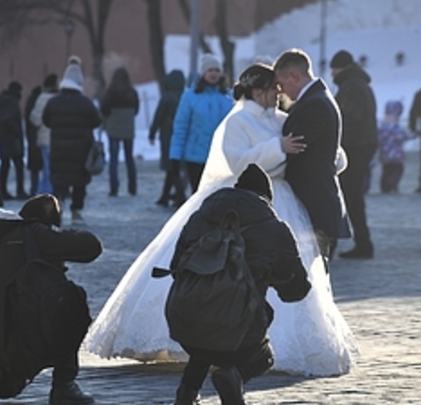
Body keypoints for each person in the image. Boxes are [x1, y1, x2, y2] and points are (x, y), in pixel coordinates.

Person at [84, 63, 358, 377]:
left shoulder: (282, 119)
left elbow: (315, 149)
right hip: (245, 200)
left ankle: (273, 343)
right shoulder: (237, 121)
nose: (279, 94)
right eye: (273, 89)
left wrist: (326, 158)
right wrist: (276, 148)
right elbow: (238, 161)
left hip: (282, 198)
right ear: (258, 91)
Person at [170, 164, 311, 405]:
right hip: (240, 328)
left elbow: (176, 267)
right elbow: (294, 291)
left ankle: (186, 394)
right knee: (261, 355)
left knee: (209, 332)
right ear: (266, 198)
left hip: (185, 320)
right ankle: (233, 375)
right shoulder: (275, 229)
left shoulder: (200, 217)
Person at [0, 194, 102, 405]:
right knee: (69, 303)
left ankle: (0, 376)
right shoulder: (33, 233)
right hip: (18, 339)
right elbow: (91, 247)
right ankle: (64, 385)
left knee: (24, 308)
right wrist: (58, 234)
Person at [273, 49, 352, 262]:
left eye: (281, 84)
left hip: (315, 204)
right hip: (315, 202)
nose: (280, 92)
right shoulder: (315, 98)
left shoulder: (315, 103)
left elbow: (295, 149)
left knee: (313, 277)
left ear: (294, 76)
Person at [329, 50, 378, 259]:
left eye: (333, 69)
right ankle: (361, 242)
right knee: (351, 196)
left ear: (341, 68)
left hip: (354, 149)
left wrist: (336, 147)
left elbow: (349, 121)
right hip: (362, 147)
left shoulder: (351, 87)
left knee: (347, 196)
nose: (331, 74)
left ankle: (359, 243)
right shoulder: (359, 84)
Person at [42, 64, 102, 222]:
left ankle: (57, 208)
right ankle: (76, 209)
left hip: (58, 149)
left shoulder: (53, 102)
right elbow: (97, 120)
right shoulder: (86, 103)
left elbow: (45, 120)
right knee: (79, 181)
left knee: (59, 180)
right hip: (80, 150)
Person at [169, 54, 234, 192]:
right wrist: (175, 156)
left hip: (222, 157)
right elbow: (181, 127)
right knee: (199, 197)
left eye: (217, 70)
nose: (213, 74)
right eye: (210, 70)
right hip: (195, 157)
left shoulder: (229, 97)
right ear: (203, 73)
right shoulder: (190, 96)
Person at [149, 70, 187, 207]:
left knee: (171, 167)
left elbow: (158, 117)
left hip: (168, 135)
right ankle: (165, 196)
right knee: (173, 166)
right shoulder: (186, 96)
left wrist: (152, 132)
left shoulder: (166, 98)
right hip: (183, 135)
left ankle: (180, 195)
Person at [101, 67, 139, 197]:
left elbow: (104, 110)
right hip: (128, 129)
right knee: (129, 158)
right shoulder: (132, 93)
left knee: (113, 159)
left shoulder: (110, 93)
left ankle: (114, 188)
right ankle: (132, 187)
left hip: (114, 128)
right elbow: (136, 110)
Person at [0, 81, 27, 200]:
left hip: (5, 139)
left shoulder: (4, 101)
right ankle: (19, 190)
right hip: (12, 140)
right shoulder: (12, 102)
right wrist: (16, 133)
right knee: (18, 165)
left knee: (5, 165)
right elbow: (8, 120)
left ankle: (2, 190)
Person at [31, 74, 59, 195]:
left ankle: (45, 191)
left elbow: (35, 119)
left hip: (44, 138)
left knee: (47, 167)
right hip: (58, 138)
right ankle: (51, 191)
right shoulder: (59, 98)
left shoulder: (42, 98)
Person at [378, 100, 414, 193]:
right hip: (396, 155)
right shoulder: (396, 127)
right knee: (397, 170)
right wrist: (413, 135)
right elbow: (401, 137)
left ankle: (384, 186)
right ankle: (392, 184)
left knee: (386, 170)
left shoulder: (382, 126)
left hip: (384, 154)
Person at [24, 85, 44, 195]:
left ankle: (34, 189)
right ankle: (40, 189)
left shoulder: (30, 102)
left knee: (34, 168)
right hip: (38, 137)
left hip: (32, 138)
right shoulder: (38, 102)